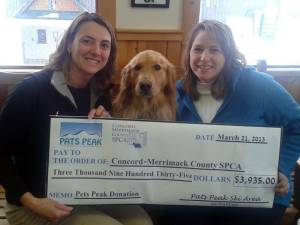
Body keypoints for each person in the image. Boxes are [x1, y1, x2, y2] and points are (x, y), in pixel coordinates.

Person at [0, 12, 152, 225]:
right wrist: (31, 201)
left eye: (105, 45)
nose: (96, 51)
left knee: (142, 221)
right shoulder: (30, 90)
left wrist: (109, 130)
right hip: (34, 202)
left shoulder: (100, 93)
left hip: (82, 194)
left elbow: (105, 158)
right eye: (87, 41)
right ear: (69, 44)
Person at [162, 20, 300, 225]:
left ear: (228, 55)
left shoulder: (257, 85)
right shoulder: (174, 92)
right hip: (197, 191)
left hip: (259, 193)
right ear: (188, 54)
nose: (204, 58)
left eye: (214, 50)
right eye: (197, 49)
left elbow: (297, 124)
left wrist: (281, 167)